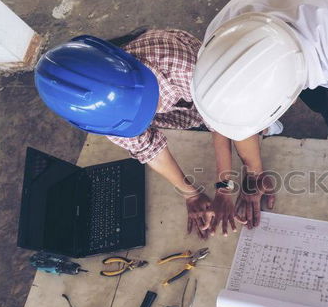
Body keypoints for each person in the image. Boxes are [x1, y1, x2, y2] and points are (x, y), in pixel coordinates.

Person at [191, 0, 328, 238]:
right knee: (319, 101)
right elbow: (238, 122)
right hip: (278, 12)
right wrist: (254, 176)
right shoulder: (222, 41)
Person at [34, 29, 223, 239]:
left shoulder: (182, 68)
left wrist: (227, 186)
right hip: (187, 113)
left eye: (148, 101)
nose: (148, 109)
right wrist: (190, 193)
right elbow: (149, 149)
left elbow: (221, 119)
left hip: (216, 92)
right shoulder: (104, 115)